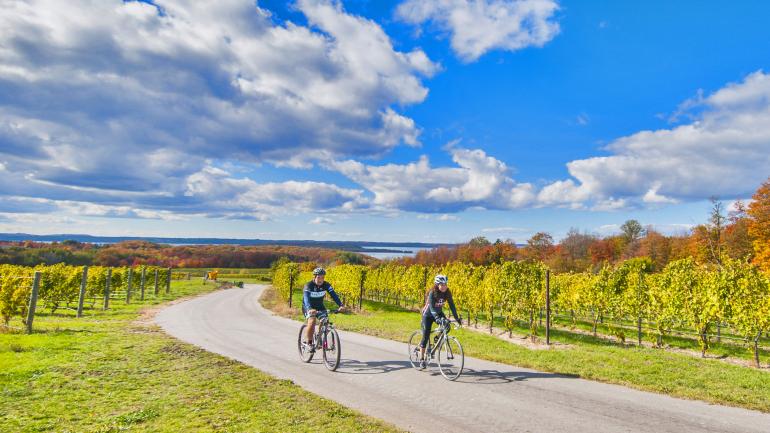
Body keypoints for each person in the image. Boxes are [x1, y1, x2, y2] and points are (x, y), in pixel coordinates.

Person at [418, 274, 461, 368]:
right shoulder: (432, 293)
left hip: (438, 312)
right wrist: (437, 318)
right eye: (442, 284)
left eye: (446, 284)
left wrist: (457, 318)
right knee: (426, 336)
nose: (444, 286)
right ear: (437, 285)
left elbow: (452, 305)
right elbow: (432, 308)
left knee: (447, 326)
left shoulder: (447, 292)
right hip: (428, 314)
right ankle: (421, 359)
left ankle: (437, 338)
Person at [302, 267, 346, 352]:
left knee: (325, 321)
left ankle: (319, 336)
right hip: (308, 307)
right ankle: (309, 343)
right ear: (314, 277)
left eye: (322, 277)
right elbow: (306, 299)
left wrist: (341, 305)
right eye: (319, 277)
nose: (321, 280)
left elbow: (334, 295)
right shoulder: (308, 286)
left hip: (320, 307)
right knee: (312, 321)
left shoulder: (326, 285)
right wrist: (310, 308)